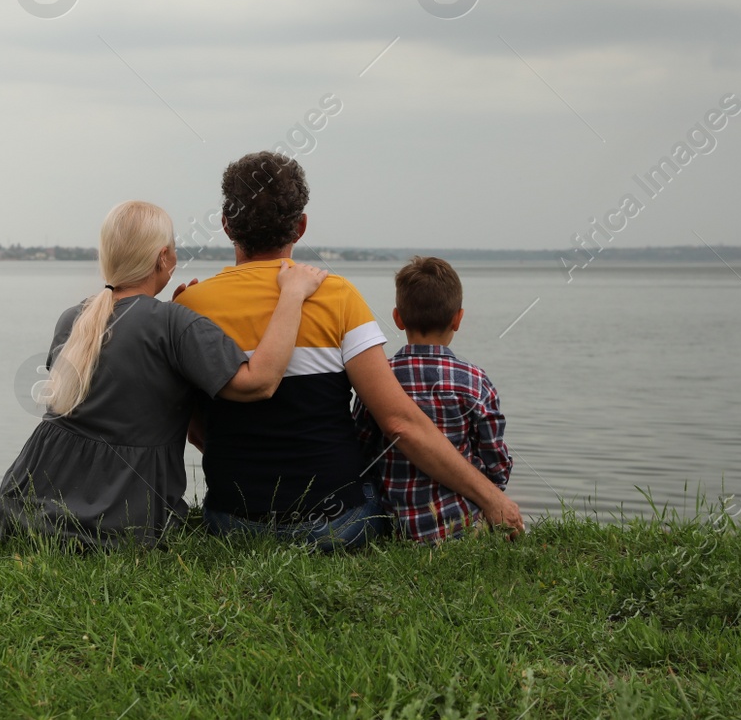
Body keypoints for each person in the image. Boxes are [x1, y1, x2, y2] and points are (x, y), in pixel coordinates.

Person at [176, 152, 523, 550]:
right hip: (337, 525)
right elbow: (398, 423)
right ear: (301, 226)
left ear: (226, 224)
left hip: (231, 523)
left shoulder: (190, 308)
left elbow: (194, 427)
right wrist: (493, 498)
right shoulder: (337, 296)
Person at [0, 199, 329, 548]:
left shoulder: (73, 318)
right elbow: (259, 383)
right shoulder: (174, 325)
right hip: (115, 522)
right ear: (163, 258)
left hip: (23, 510)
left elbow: (122, 375)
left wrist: (175, 325)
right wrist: (292, 295)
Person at [354, 256, 512, 543]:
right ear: (458, 319)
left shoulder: (379, 380)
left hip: (393, 525)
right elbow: (497, 463)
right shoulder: (474, 382)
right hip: (460, 523)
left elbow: (362, 450)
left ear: (397, 318)